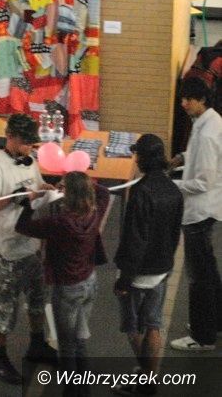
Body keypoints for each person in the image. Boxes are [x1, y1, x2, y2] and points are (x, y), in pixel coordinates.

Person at [0, 113, 58, 386]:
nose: (29, 147)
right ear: (9, 137)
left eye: (31, 143)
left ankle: (37, 344)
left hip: (30, 245)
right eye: (25, 142)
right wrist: (16, 198)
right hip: (5, 248)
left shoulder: (31, 161)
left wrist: (44, 189)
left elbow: (35, 190)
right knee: (4, 307)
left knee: (37, 299)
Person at [16, 172, 109, 395]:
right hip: (89, 282)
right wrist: (83, 183)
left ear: (70, 194)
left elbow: (22, 226)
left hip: (67, 288)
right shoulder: (94, 213)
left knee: (66, 345)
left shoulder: (59, 223)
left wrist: (29, 202)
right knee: (79, 339)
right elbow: (104, 192)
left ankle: (71, 390)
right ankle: (83, 388)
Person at [112, 135, 183, 395]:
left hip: (139, 273)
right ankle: (149, 377)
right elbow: (175, 232)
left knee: (134, 328)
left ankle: (145, 379)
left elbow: (135, 239)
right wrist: (166, 263)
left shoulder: (141, 192)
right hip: (161, 269)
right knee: (153, 325)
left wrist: (124, 280)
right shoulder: (173, 189)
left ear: (142, 158)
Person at [169, 78, 222, 351]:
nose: (183, 104)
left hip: (200, 212)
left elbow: (203, 181)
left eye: (188, 99)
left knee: (199, 277)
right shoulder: (207, 122)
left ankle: (202, 337)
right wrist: (181, 157)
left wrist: (173, 185)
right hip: (207, 209)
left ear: (201, 99)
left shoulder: (209, 132)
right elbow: (198, 154)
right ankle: (216, 322)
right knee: (209, 272)